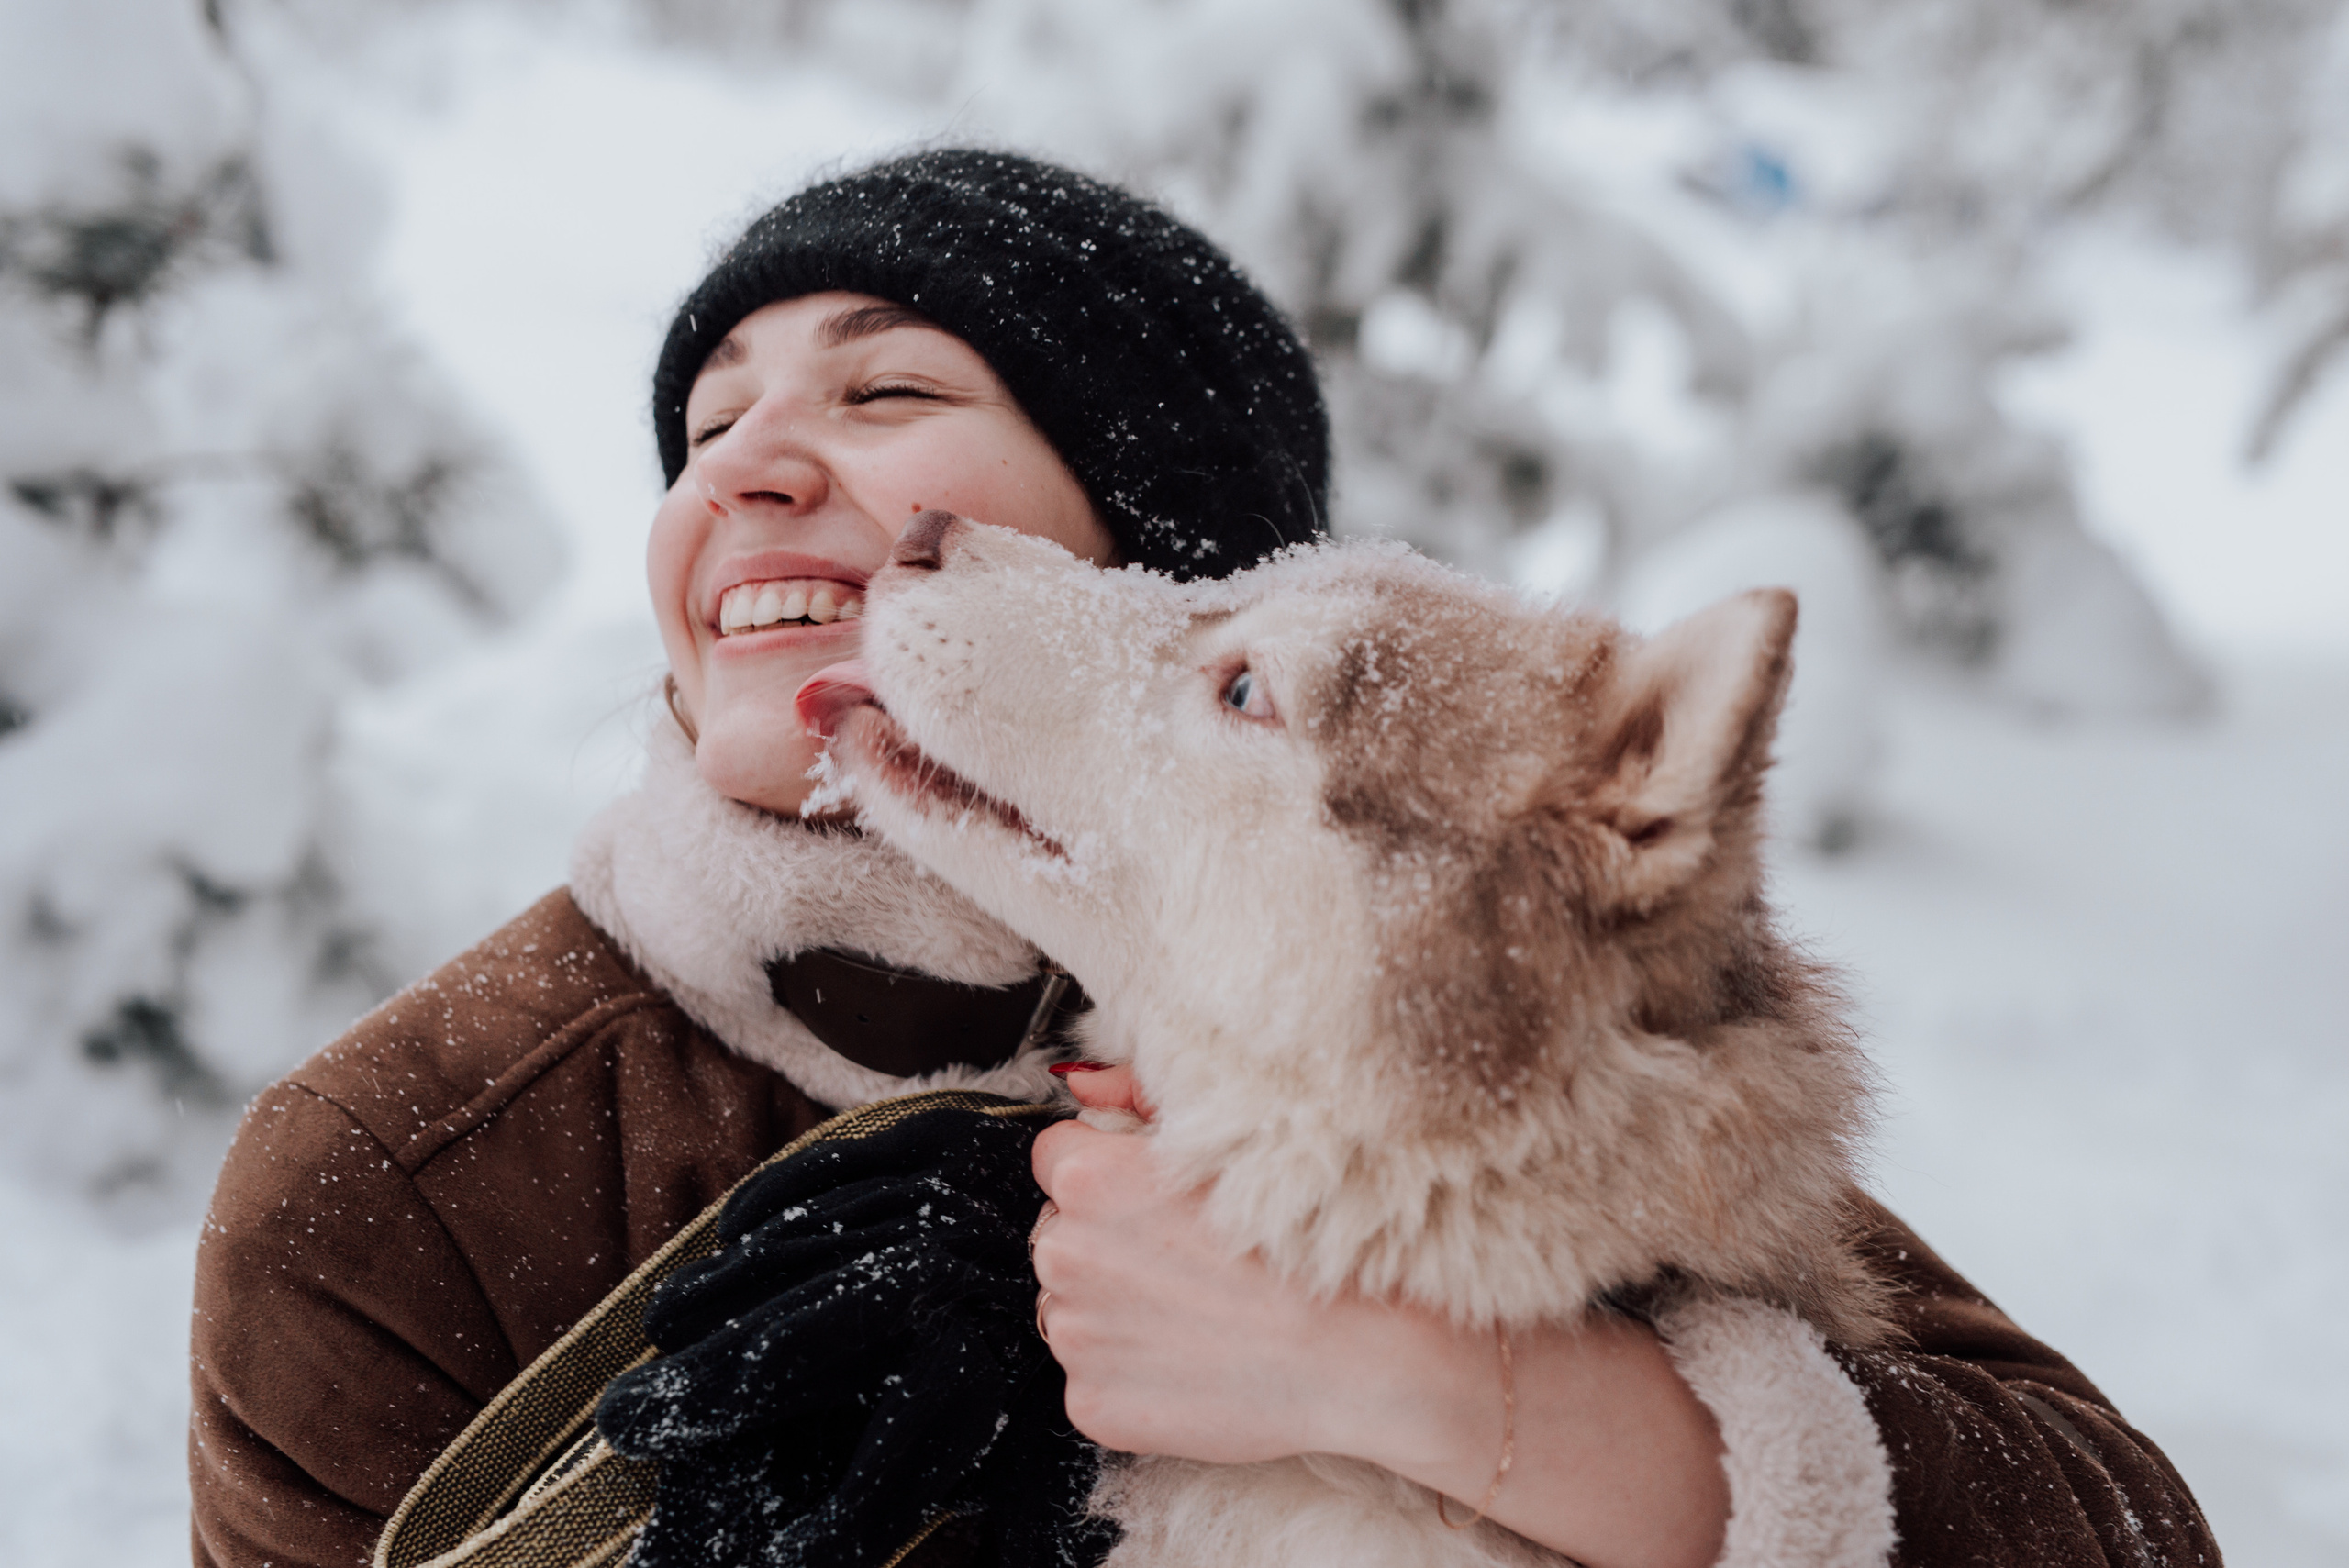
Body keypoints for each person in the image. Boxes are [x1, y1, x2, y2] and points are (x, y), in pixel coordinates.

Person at [189, 150, 2220, 1568]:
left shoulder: (1445, 1040)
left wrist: (1450, 1392)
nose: (749, 469)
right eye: (706, 431)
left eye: (888, 387)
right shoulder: (408, 1179)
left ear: (1153, 565)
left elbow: (2108, 1525)